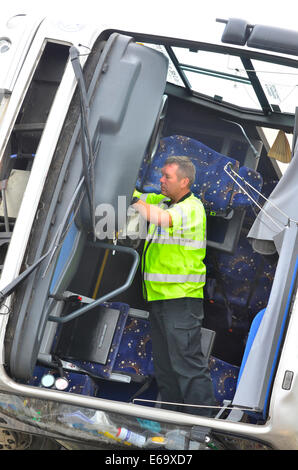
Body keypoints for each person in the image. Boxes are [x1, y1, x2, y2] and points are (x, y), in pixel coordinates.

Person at [132, 156, 215, 417]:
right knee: (166, 368)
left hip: (181, 300)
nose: (161, 180)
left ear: (184, 181)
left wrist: (135, 202)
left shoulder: (191, 208)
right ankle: (175, 424)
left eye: (167, 177)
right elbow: (142, 198)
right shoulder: (167, 201)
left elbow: (161, 218)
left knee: (187, 366)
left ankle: (204, 428)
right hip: (160, 299)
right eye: (162, 175)